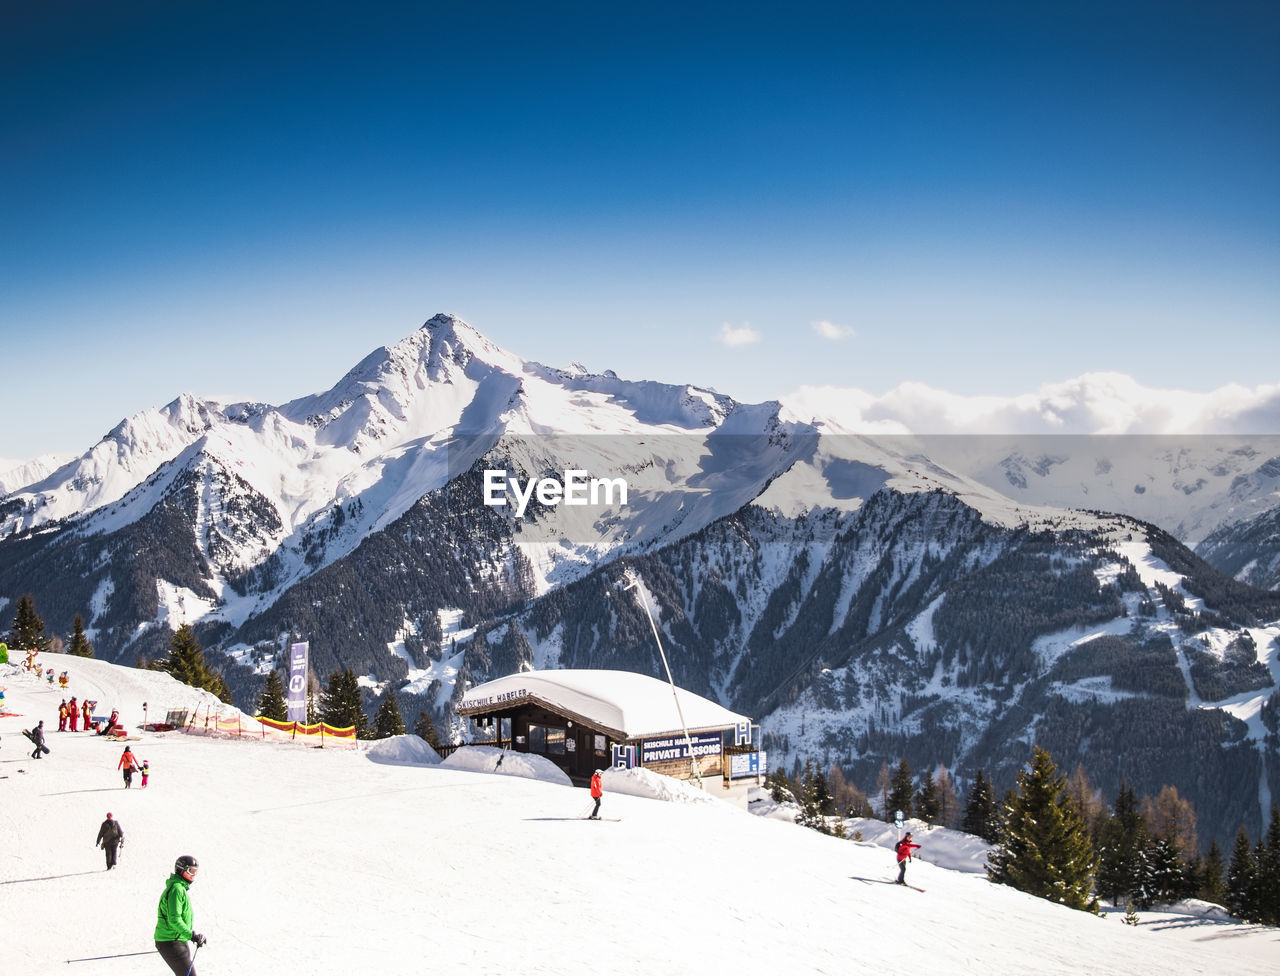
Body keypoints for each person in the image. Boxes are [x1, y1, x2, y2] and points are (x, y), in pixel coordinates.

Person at [155, 855, 206, 976]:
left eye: (195, 872)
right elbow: (174, 919)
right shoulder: (177, 889)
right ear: (181, 869)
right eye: (191, 871)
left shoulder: (179, 888)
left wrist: (191, 935)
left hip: (178, 940)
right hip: (170, 941)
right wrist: (192, 935)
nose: (193, 875)